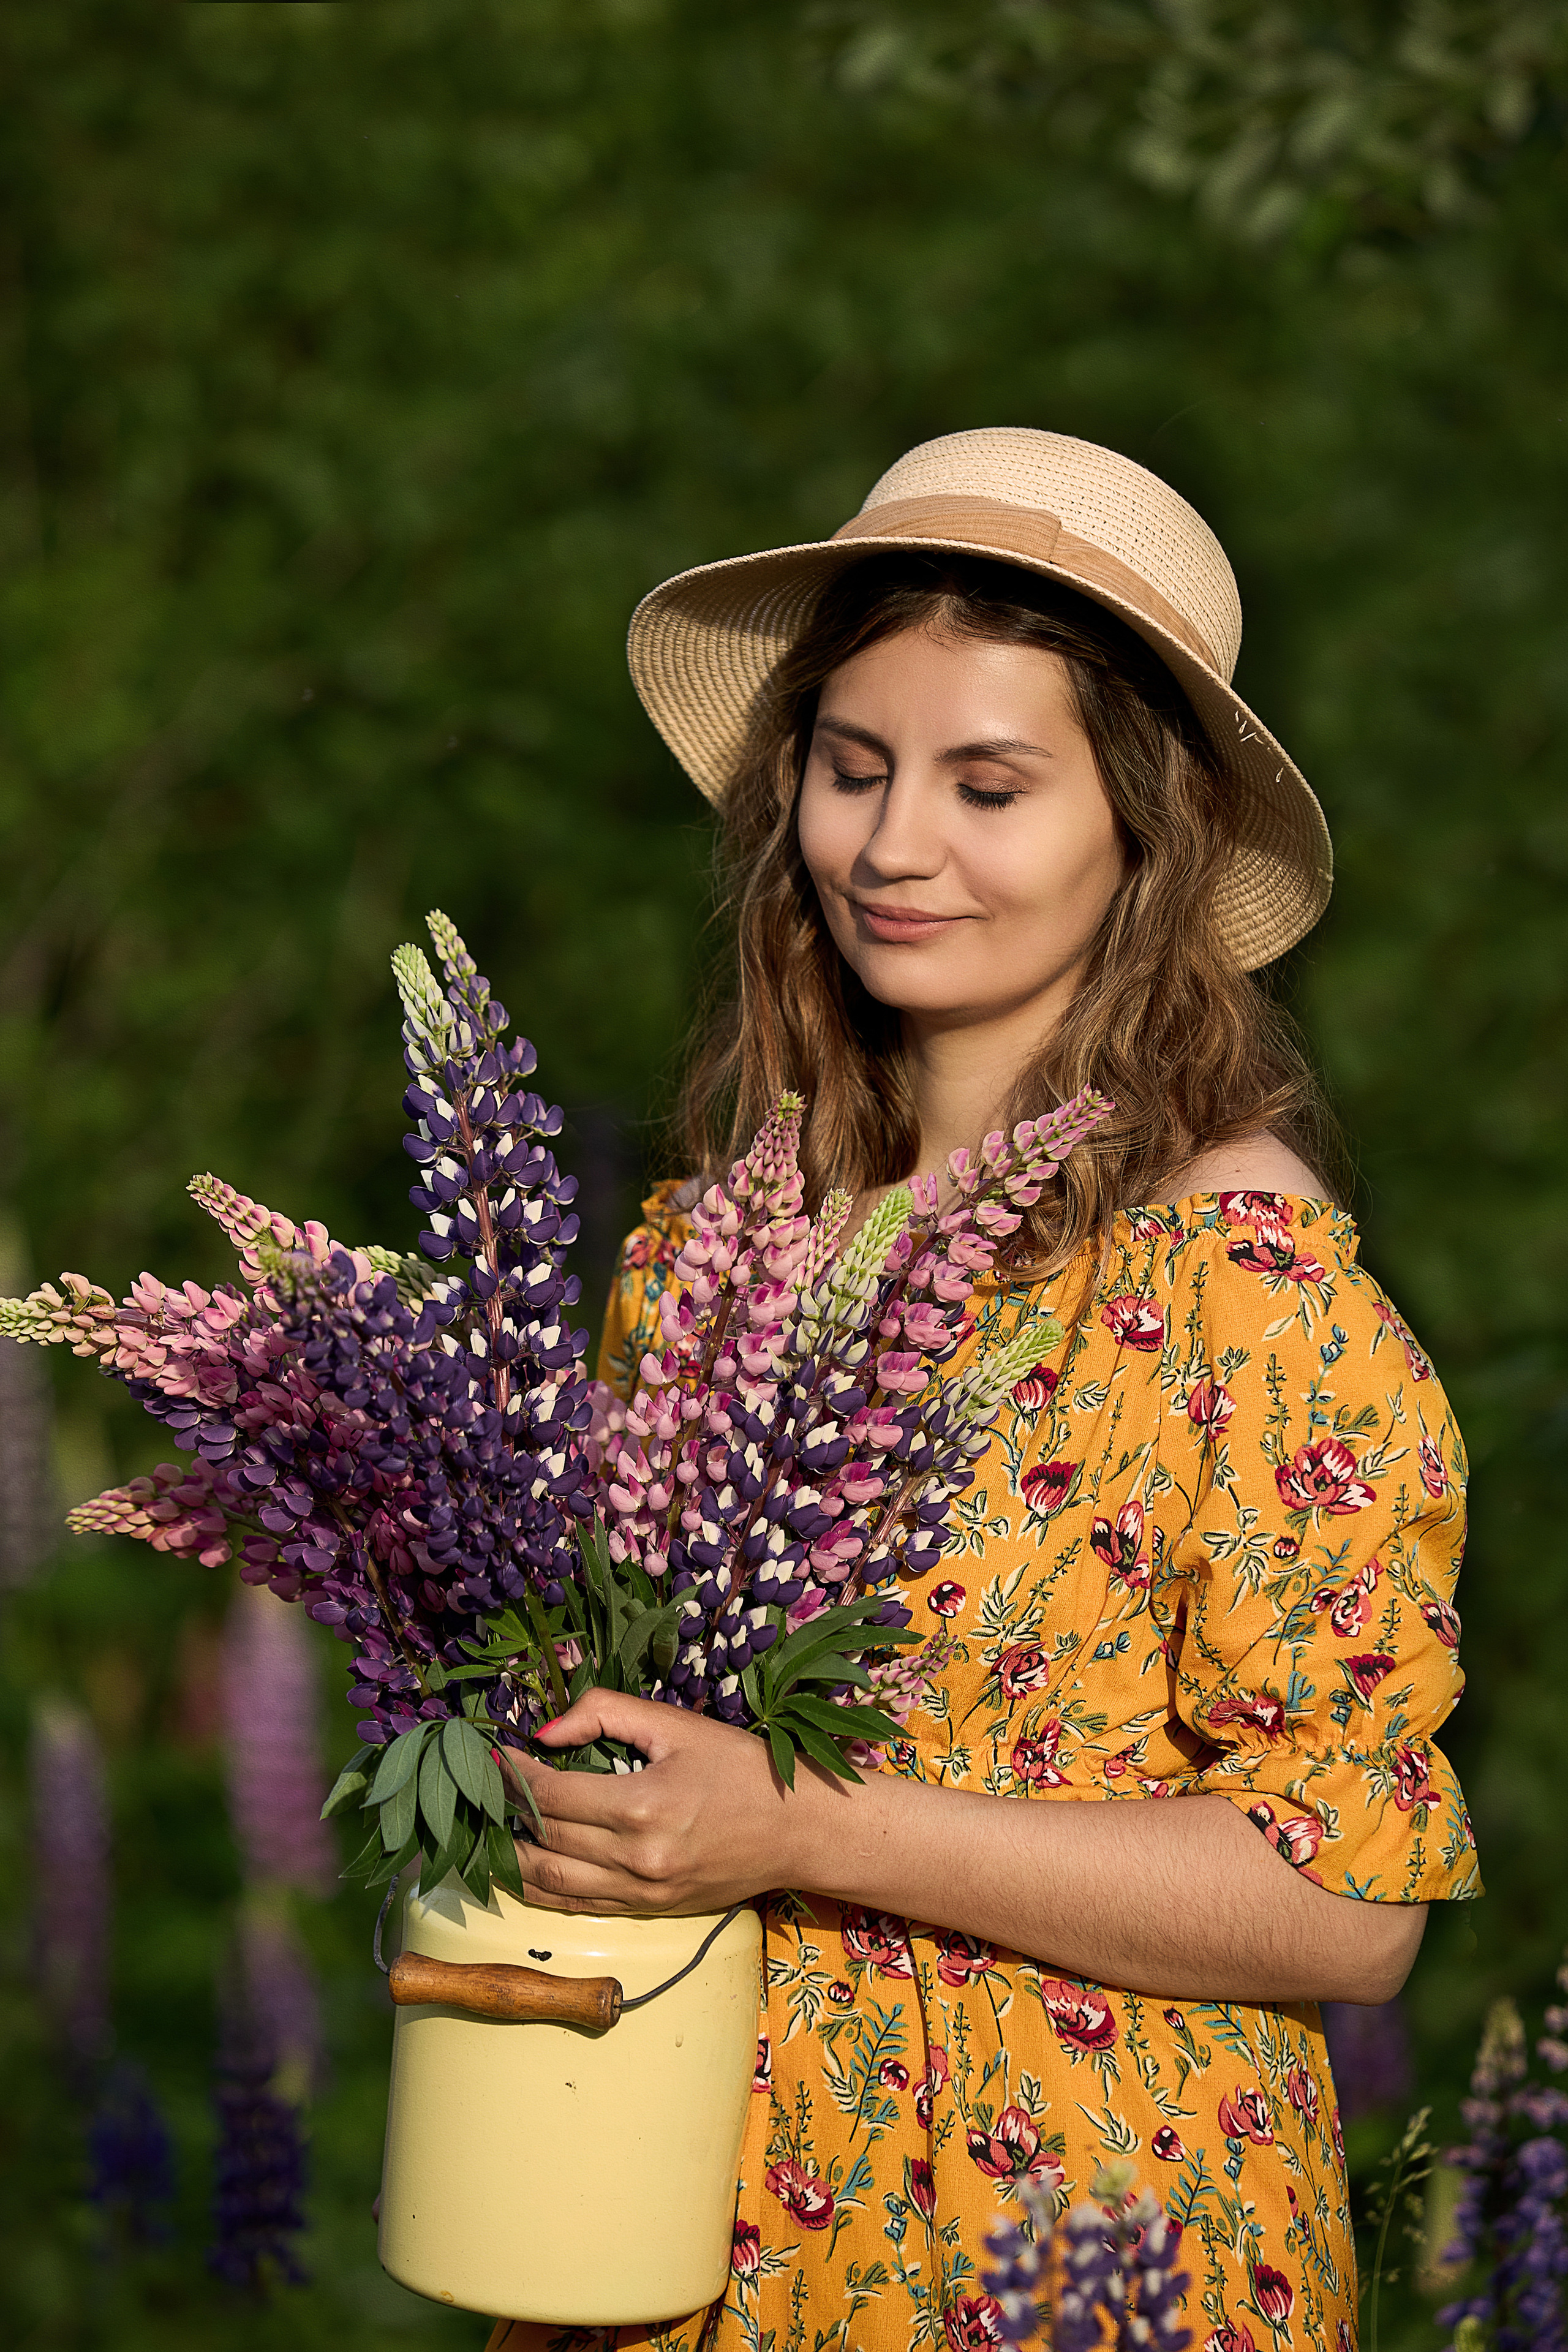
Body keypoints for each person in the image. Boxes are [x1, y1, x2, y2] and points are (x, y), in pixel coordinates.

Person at [490, 430, 1478, 2352]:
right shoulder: (706, 1259)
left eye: (989, 784)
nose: (891, 847)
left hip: (1078, 2240)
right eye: (851, 771)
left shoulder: (1248, 1292)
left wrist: (811, 1825)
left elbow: (1349, 1905)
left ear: (1146, 828)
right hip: (675, 2216)